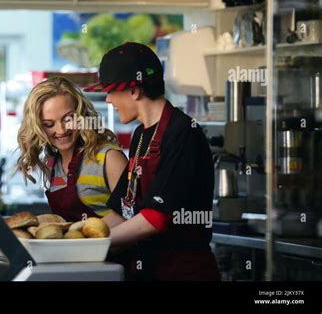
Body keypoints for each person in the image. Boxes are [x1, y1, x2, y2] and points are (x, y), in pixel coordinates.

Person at [84, 42, 220, 281]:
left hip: (184, 273)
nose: (108, 100)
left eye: (111, 91)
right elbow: (122, 211)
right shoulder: (141, 135)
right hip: (150, 270)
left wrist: (93, 245)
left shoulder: (183, 132)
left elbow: (156, 218)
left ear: (134, 91)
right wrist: (76, 237)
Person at [17, 77, 128, 221]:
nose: (61, 130)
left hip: (109, 244)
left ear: (81, 114)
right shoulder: (52, 164)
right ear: (38, 127)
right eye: (49, 124)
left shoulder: (109, 158)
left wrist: (82, 238)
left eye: (69, 119)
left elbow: (129, 214)